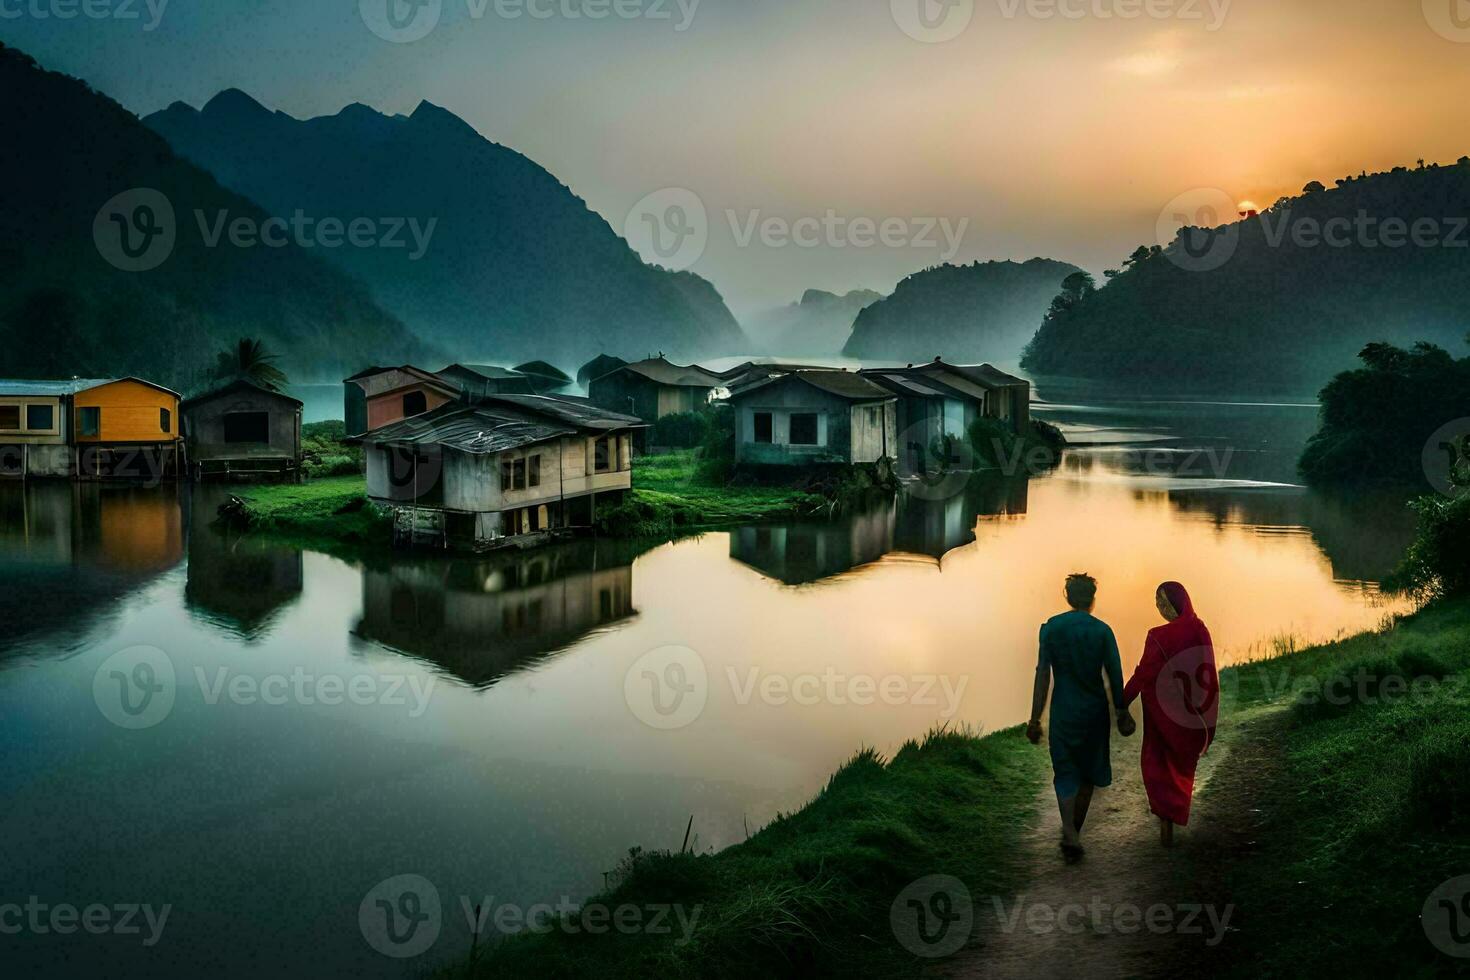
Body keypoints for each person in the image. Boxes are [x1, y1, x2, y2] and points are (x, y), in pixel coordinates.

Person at [1027, 573, 1135, 862]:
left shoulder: (1051, 628)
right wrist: (1122, 710)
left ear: (1068, 596)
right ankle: (1073, 832)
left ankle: (1069, 831)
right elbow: (1114, 673)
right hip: (1093, 712)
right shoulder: (1102, 631)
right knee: (1088, 774)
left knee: (1065, 772)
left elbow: (1042, 675)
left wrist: (1035, 718)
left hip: (1063, 711)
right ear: (1092, 599)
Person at [1123, 581, 1219, 847]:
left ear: (1178, 603)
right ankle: (1170, 823)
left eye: (1164, 603)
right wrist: (1207, 713)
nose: (1161, 608)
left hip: (1163, 718)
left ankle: (1166, 827)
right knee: (1181, 767)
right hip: (1190, 717)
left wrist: (1122, 701)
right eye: (1158, 603)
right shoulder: (1200, 629)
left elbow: (1144, 673)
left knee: (1159, 767)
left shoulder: (1158, 636)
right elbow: (1208, 674)